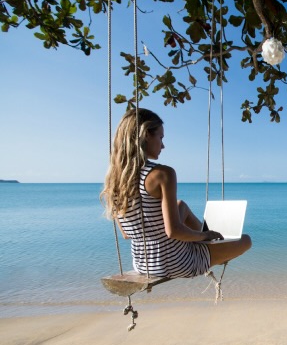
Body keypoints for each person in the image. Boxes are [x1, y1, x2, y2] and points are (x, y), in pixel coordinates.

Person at [101, 108, 251, 278]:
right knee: (246, 240)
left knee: (181, 206)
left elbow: (126, 234)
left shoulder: (117, 179)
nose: (163, 145)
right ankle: (215, 245)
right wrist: (203, 235)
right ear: (146, 135)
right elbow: (173, 231)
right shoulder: (163, 173)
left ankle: (215, 242)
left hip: (143, 264)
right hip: (175, 263)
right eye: (160, 137)